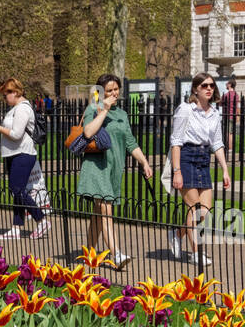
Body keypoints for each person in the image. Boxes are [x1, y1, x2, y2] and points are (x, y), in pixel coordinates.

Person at [76, 73, 154, 268]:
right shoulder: (93, 109)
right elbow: (87, 132)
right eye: (109, 90)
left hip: (114, 168)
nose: (113, 93)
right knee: (105, 208)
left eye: (115, 89)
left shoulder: (122, 114)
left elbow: (130, 142)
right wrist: (104, 110)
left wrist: (144, 162)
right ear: (101, 92)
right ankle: (116, 253)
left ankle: (89, 255)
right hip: (96, 167)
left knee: (98, 213)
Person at [167, 73, 231, 268]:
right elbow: (176, 142)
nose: (209, 88)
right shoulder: (185, 110)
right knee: (193, 209)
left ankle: (177, 233)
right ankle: (197, 252)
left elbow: (217, 143)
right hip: (186, 157)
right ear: (195, 88)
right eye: (204, 85)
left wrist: (225, 170)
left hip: (204, 158)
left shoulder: (215, 113)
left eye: (211, 85)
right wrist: (177, 171)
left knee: (205, 212)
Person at [0, 78, 49, 240]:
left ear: (14, 92)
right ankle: (16, 228)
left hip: (23, 153)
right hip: (14, 154)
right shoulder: (15, 108)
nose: (4, 98)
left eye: (6, 94)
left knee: (18, 190)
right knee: (17, 191)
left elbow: (16, 134)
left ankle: (41, 219)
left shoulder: (22, 109)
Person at [220, 77, 240, 160]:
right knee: (231, 132)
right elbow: (238, 106)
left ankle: (230, 149)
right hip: (233, 116)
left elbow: (220, 104)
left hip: (227, 115)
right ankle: (230, 148)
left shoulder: (226, 95)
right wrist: (238, 115)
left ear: (230, 85)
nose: (226, 84)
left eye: (227, 83)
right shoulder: (236, 95)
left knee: (228, 133)